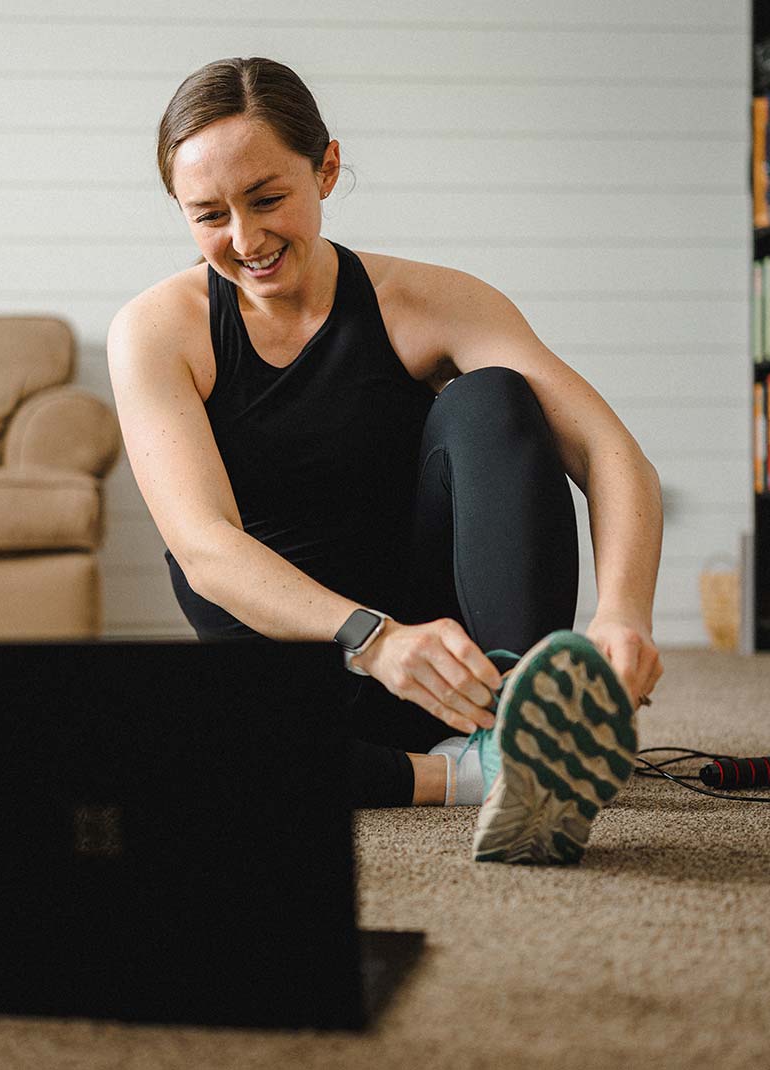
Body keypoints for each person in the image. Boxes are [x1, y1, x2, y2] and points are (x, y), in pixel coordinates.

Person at [106, 56, 664, 858]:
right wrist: (372, 639)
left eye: (268, 199)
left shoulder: (430, 300)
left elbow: (610, 450)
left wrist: (623, 617)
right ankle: (468, 775)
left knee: (494, 396)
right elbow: (205, 549)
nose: (246, 238)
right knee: (128, 740)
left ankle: (522, 728)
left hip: (452, 671)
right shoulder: (156, 329)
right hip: (298, 672)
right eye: (208, 215)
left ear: (326, 167)